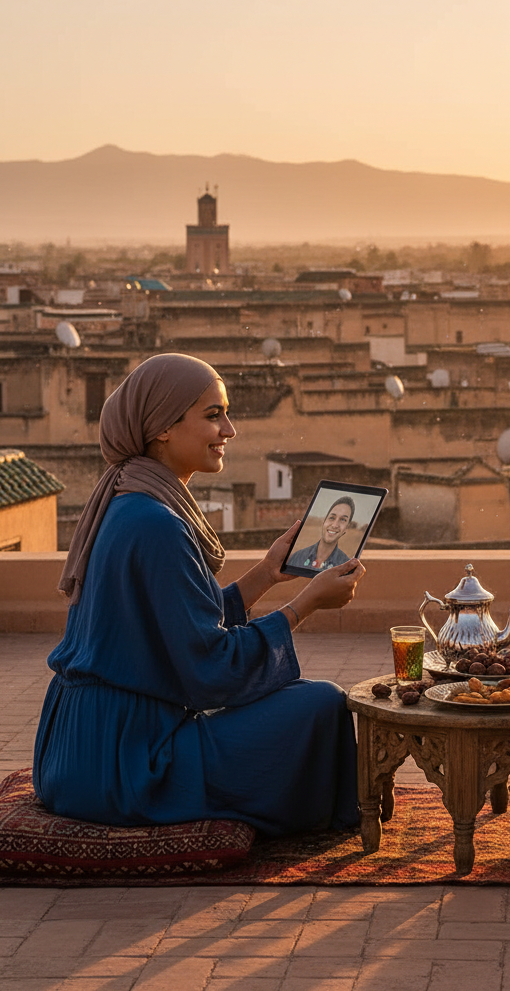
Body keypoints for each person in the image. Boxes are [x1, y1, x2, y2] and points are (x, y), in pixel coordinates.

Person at [33, 354, 365, 836]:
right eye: (213, 415)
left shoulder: (131, 503)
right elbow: (209, 669)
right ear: (163, 426)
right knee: (321, 705)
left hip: (71, 753)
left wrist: (267, 574)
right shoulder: (157, 526)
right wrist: (304, 605)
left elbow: (175, 625)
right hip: (128, 762)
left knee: (292, 693)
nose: (229, 430)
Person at [287, 497, 354, 571]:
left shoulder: (345, 566)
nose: (335, 525)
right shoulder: (298, 557)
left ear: (346, 528)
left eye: (343, 520)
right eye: (332, 517)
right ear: (324, 521)